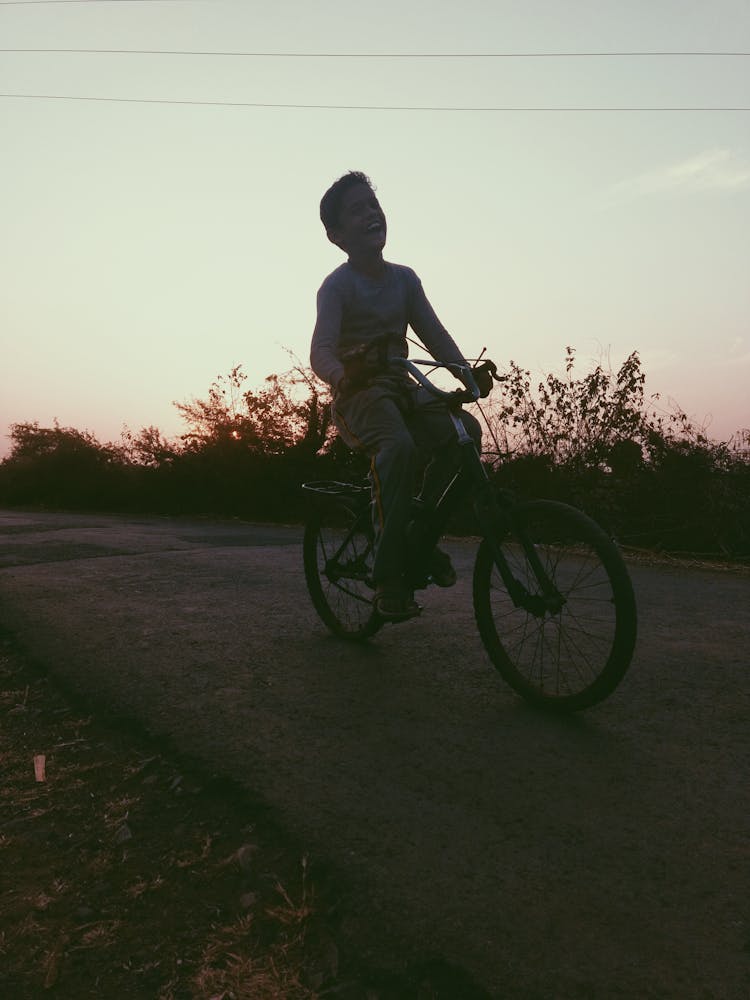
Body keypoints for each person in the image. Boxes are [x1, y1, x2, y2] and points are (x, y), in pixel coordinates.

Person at [310, 170, 483, 621]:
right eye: (356, 209)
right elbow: (320, 351)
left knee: (465, 432)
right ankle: (388, 577)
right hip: (360, 397)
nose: (371, 213)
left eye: (373, 204)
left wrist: (466, 374)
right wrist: (342, 376)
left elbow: (435, 334)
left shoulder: (405, 280)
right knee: (398, 447)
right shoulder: (337, 286)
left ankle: (417, 536)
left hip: (402, 388)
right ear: (336, 235)